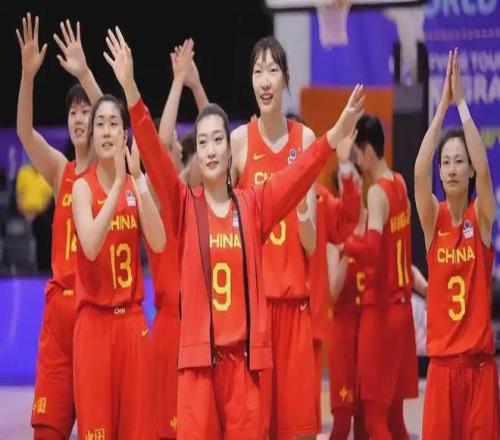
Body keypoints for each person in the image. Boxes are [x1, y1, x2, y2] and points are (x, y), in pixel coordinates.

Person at [103, 25, 364, 439]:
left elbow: (298, 174)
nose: (210, 150)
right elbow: (153, 151)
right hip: (198, 368)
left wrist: (334, 134)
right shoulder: (185, 205)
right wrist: (131, 89)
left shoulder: (253, 206)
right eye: (203, 142)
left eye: (217, 141)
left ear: (230, 150)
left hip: (243, 367)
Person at [230, 36, 360, 439]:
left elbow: (310, 243)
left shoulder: (303, 140)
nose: (265, 80)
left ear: (286, 79)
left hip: (295, 310)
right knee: (254, 430)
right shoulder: (238, 142)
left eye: (273, 71)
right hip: (254, 314)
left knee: (300, 432)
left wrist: (302, 210)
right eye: (258, 71)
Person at [16, 14, 100, 439]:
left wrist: (85, 74)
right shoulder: (60, 170)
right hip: (57, 318)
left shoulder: (108, 172)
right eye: (73, 112)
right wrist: (28, 75)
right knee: (47, 429)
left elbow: (116, 121)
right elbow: (24, 132)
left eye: (86, 111)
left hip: (92, 314)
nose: (79, 118)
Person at [415, 48, 499, 439]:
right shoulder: (432, 219)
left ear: (468, 171)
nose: (451, 169)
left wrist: (461, 104)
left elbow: (486, 171)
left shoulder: (480, 217)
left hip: (480, 370)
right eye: (446, 162)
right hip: (442, 370)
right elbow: (419, 170)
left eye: (458, 161)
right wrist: (442, 107)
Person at [342, 114, 418, 439]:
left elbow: (372, 251)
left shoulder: (376, 193)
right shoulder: (400, 183)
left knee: (374, 419)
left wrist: (345, 244)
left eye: (356, 154)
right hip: (403, 312)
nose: (356, 162)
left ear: (368, 151)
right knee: (395, 419)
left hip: (381, 313)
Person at [148, 38, 209, 439]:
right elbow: (159, 140)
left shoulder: (196, 194)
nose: (171, 147)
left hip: (202, 325)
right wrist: (176, 82)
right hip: (169, 328)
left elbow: (216, 139)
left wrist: (196, 86)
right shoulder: (159, 198)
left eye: (175, 147)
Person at [305, 132, 361, 436]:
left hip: (311, 325)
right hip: (272, 325)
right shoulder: (267, 193)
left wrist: (345, 164)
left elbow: (348, 219)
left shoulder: (321, 199)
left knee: (305, 419)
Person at [326, 163, 368, 440]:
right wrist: (347, 249)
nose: (351, 185)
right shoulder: (334, 235)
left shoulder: (377, 221)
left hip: (372, 328)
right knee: (342, 421)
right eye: (344, 182)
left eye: (354, 178)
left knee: (367, 422)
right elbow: (332, 291)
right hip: (343, 329)